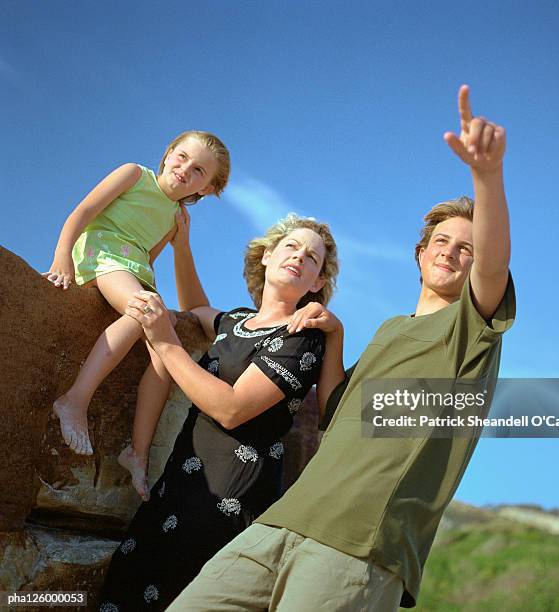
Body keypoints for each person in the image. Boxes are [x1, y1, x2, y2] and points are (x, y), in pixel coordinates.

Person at [166, 84, 516, 611]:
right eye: (441, 241)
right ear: (420, 254)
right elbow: (334, 410)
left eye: (466, 248)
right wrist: (335, 335)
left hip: (361, 546)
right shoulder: (390, 329)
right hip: (281, 523)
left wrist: (486, 175)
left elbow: (492, 265)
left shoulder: (471, 329)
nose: (451, 252)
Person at [97, 212, 339, 611]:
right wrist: (182, 245)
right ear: (266, 256)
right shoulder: (237, 322)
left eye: (312, 258)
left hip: (226, 505)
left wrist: (166, 342)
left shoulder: (304, 339)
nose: (299, 256)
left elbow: (231, 409)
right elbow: (196, 307)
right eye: (291, 246)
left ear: (316, 283)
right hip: (173, 491)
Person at [44, 131, 230, 501]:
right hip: (103, 253)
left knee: (166, 353)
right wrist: (61, 256)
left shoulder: (176, 216)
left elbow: (147, 259)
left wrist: (180, 243)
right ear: (167, 154)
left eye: (198, 172)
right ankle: (75, 399)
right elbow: (83, 212)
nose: (184, 170)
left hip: (134, 271)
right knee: (145, 309)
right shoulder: (134, 174)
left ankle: (137, 453)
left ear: (207, 189)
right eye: (181, 158)